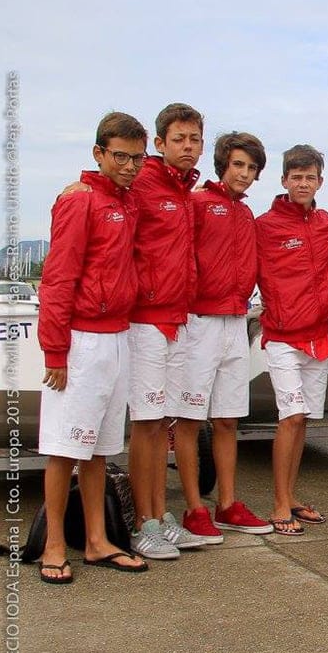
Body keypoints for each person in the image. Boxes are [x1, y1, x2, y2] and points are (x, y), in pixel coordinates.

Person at [36, 112, 151, 582]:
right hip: (81, 340)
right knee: (65, 448)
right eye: (119, 155)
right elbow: (58, 278)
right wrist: (55, 352)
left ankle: (98, 541)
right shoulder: (80, 201)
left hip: (117, 335)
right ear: (99, 153)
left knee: (99, 449)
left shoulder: (125, 203)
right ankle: (55, 544)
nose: (128, 165)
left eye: (136, 158)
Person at [170, 132, 273, 542]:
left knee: (228, 419)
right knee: (191, 419)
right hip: (199, 322)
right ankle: (195, 508)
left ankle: (227, 504)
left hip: (236, 320)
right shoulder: (196, 203)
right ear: (222, 166)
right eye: (238, 165)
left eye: (251, 168)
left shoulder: (247, 215)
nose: (244, 174)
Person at [128, 103, 207, 560]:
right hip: (145, 319)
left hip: (178, 318)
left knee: (164, 423)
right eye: (179, 139)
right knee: (146, 421)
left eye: (195, 139)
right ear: (160, 144)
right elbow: (100, 195)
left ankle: (162, 516)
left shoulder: (183, 191)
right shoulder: (142, 182)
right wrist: (76, 185)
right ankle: (143, 523)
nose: (188, 147)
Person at [255, 144, 328, 535]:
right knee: (288, 417)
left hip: (317, 336)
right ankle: (277, 504)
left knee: (303, 419)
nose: (303, 183)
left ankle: (290, 496)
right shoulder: (264, 225)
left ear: (320, 181)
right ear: (284, 180)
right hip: (282, 337)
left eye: (310, 177)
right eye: (296, 177)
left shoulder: (326, 223)